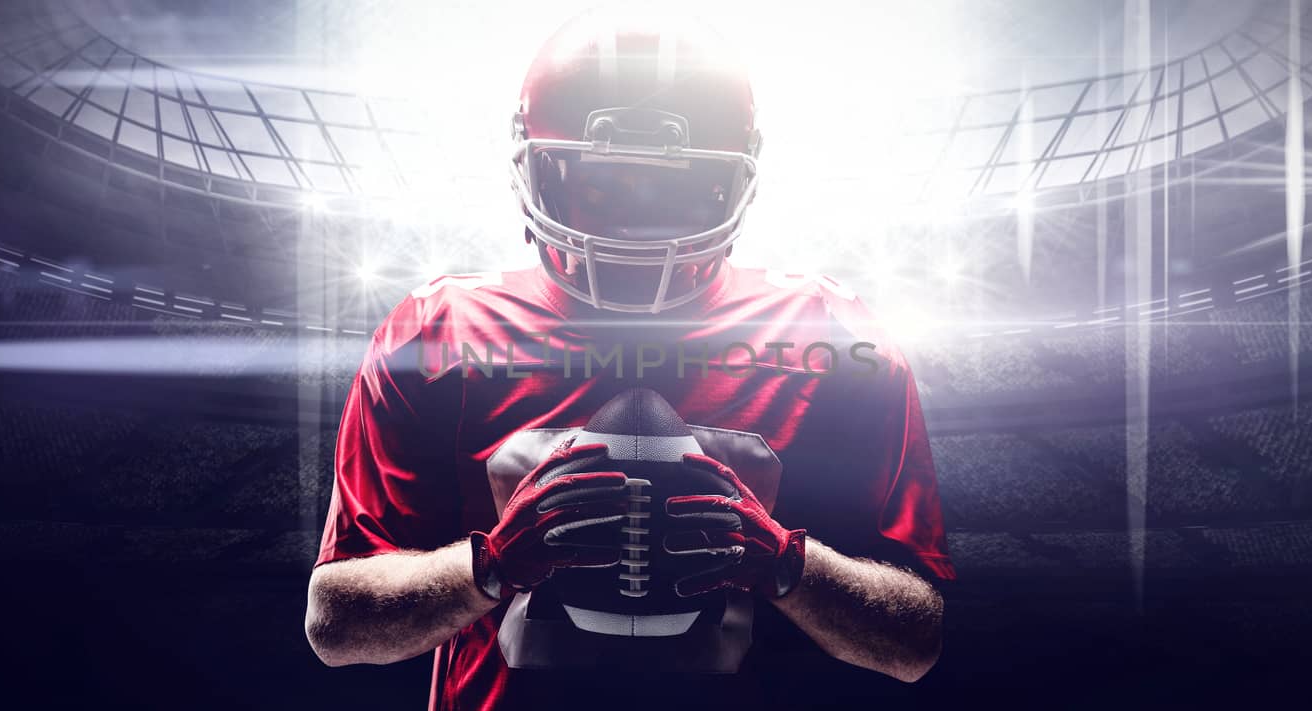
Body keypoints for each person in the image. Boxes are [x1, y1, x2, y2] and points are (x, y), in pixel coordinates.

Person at [305, 10, 952, 710]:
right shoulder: (435, 333)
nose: (633, 219)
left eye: (671, 188)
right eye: (599, 182)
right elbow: (336, 623)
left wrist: (787, 563)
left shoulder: (832, 335)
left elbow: (914, 639)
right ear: (535, 162)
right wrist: (487, 565)